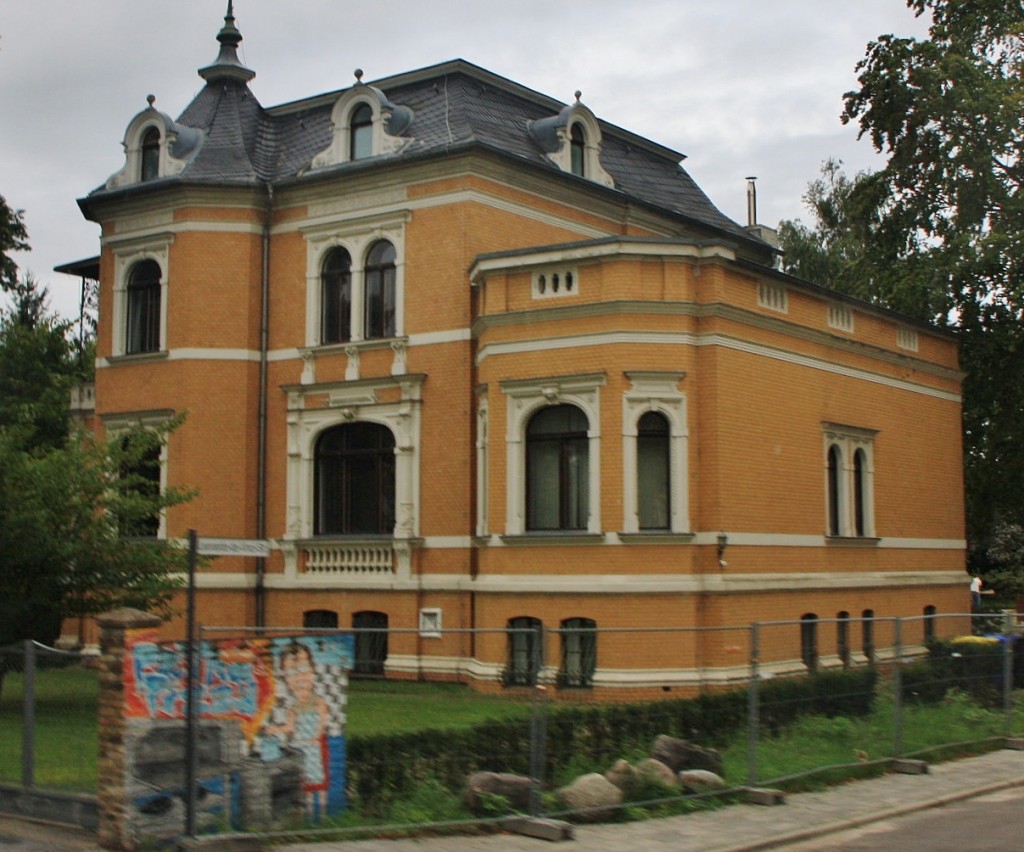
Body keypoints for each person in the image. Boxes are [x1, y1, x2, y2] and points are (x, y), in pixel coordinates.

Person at [261, 642, 331, 815]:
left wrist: (317, 735)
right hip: (301, 748)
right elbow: (290, 726)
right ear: (286, 678)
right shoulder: (293, 707)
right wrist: (275, 729)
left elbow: (323, 719)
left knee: (320, 782)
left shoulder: (318, 701)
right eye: (292, 672)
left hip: (315, 746)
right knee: (305, 782)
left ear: (313, 671)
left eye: (303, 668)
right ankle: (308, 812)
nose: (299, 677)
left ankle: (322, 813)